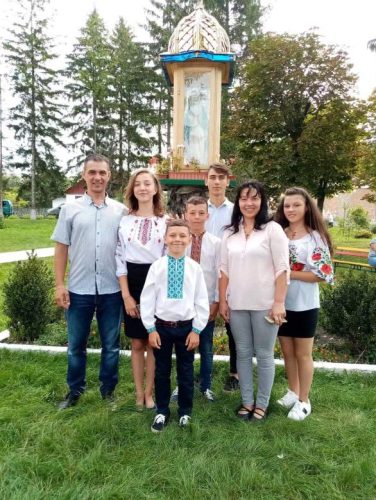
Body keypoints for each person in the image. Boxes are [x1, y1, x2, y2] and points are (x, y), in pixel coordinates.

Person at [52, 154, 126, 409]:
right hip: (78, 289)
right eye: (92, 172)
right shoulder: (69, 210)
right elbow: (61, 248)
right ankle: (75, 391)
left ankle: (108, 392)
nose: (97, 177)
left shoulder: (121, 211)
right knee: (75, 346)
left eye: (102, 173)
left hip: (111, 289)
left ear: (109, 176)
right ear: (84, 175)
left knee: (111, 346)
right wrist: (59, 284)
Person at [219, 181, 289, 422]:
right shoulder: (229, 232)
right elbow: (224, 271)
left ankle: (262, 404)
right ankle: (247, 401)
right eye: (244, 198)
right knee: (243, 354)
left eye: (254, 198)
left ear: (263, 201)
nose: (249, 203)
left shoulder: (272, 230)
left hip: (265, 304)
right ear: (238, 202)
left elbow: (282, 269)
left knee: (264, 354)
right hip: (237, 303)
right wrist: (223, 301)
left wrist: (279, 302)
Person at [140, 220, 209, 432]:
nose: (177, 239)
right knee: (161, 371)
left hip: (187, 328)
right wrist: (150, 329)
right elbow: (147, 299)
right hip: (161, 328)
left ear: (189, 240)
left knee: (186, 371)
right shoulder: (157, 267)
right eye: (173, 235)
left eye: (182, 236)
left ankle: (185, 412)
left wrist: (197, 330)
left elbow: (201, 300)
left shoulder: (195, 268)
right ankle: (162, 411)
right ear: (165, 239)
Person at [274, 187, 334, 421]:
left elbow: (322, 274)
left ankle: (304, 400)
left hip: (305, 304)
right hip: (281, 302)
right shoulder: (279, 233)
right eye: (287, 205)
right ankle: (292, 390)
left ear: (307, 207)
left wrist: (288, 273)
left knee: (303, 354)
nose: (291, 209)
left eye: (296, 205)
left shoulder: (314, 237)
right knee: (287, 352)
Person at [115, 168, 167, 410]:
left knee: (152, 342)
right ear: (132, 190)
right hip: (132, 283)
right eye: (138, 184)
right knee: (137, 343)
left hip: (157, 283)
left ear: (155, 189)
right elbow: (120, 260)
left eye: (147, 183)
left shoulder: (165, 222)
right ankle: (137, 393)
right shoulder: (124, 221)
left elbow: (169, 259)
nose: (143, 188)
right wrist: (126, 295)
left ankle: (149, 393)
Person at [171, 196, 221, 402]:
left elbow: (220, 273)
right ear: (185, 215)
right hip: (182, 305)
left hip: (206, 304)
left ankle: (206, 386)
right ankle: (181, 385)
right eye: (192, 213)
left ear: (207, 215)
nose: (197, 217)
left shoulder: (216, 244)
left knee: (206, 347)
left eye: (201, 213)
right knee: (183, 348)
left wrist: (216, 302)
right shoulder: (179, 241)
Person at [205, 162, 239, 392]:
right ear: (205, 181)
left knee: (233, 328)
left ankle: (235, 374)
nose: (217, 181)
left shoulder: (236, 210)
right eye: (213, 177)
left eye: (221, 177)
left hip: (232, 275)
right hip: (205, 276)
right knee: (201, 324)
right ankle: (201, 372)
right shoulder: (197, 209)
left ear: (228, 181)